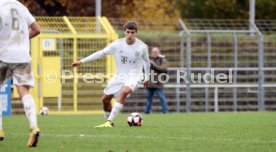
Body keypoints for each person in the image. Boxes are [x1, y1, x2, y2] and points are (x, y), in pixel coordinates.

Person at [72, 21, 150, 128]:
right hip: (119, 76)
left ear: (136, 33)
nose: (130, 35)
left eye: (132, 32)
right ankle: (108, 123)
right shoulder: (117, 45)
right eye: (128, 32)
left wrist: (147, 77)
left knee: (124, 92)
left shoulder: (142, 47)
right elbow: (100, 53)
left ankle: (109, 121)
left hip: (134, 76)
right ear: (124, 32)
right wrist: (81, 61)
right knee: (105, 99)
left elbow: (146, 61)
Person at [0, 0, 41, 147]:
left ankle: (0, 130)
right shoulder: (22, 7)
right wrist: (21, 41)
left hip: (3, 54)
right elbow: (37, 29)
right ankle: (34, 127)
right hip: (22, 55)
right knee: (24, 91)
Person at [145, 47, 168, 114]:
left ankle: (165, 111)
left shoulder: (162, 60)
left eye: (156, 52)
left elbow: (163, 69)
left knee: (161, 97)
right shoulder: (148, 60)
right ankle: (147, 111)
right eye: (153, 52)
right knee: (149, 98)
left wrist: (154, 65)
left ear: (159, 52)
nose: (154, 53)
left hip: (159, 83)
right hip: (150, 83)